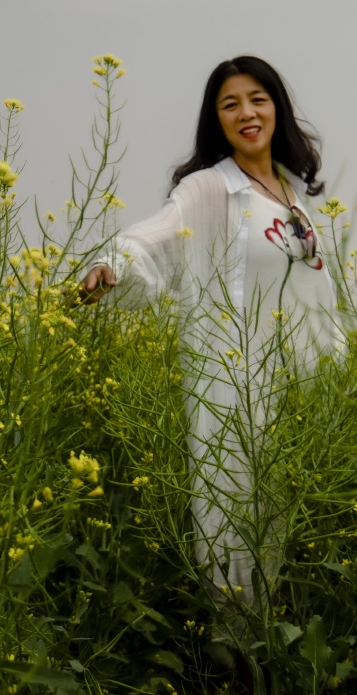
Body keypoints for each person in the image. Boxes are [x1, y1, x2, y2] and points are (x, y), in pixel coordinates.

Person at [81, 55, 340, 599]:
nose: (247, 113)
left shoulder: (291, 193)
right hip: (240, 392)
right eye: (230, 104)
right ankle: (240, 665)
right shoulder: (209, 189)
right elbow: (154, 235)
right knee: (239, 530)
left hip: (306, 394)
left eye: (257, 100)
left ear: (277, 109)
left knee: (303, 539)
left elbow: (318, 295)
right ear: (216, 120)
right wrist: (113, 266)